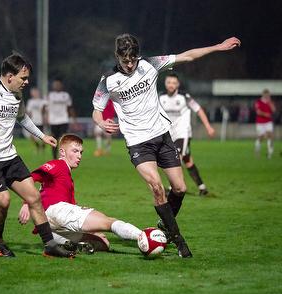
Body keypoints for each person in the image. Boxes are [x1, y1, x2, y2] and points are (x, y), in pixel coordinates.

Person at [92, 33, 241, 258]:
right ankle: (178, 240)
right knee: (157, 187)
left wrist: (218, 47)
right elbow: (96, 110)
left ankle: (165, 226)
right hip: (138, 143)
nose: (130, 64)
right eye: (125, 60)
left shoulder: (150, 64)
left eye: (133, 59)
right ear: (117, 56)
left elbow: (187, 57)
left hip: (162, 137)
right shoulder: (108, 80)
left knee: (180, 188)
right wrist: (101, 122)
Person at [0, 53, 75, 258]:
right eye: (23, 78)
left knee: (34, 197)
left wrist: (42, 135)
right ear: (10, 76)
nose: (26, 82)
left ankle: (50, 245)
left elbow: (22, 117)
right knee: (3, 201)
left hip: (9, 157)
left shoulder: (17, 94)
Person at [18, 134, 142, 251]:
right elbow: (30, 178)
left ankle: (71, 245)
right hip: (56, 210)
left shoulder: (66, 176)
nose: (79, 156)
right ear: (62, 152)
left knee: (103, 243)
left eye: (81, 152)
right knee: (108, 222)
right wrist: (26, 203)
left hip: (48, 225)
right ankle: (144, 236)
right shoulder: (57, 164)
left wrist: (92, 230)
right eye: (75, 151)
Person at [159, 73, 215, 196]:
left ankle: (172, 187)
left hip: (183, 133)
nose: (171, 85)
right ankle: (202, 187)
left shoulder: (185, 97)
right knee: (188, 161)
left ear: (178, 84)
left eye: (174, 83)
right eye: (169, 82)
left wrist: (208, 127)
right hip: (169, 135)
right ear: (165, 83)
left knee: (175, 157)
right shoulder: (160, 97)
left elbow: (199, 110)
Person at [47, 79, 76, 159]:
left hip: (64, 119)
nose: (56, 86)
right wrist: (46, 118)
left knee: (63, 138)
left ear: (61, 85)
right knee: (54, 139)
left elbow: (70, 107)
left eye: (58, 84)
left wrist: (74, 119)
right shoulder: (50, 95)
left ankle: (63, 156)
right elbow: (46, 107)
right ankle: (54, 157)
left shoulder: (66, 95)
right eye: (55, 84)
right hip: (53, 121)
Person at [254, 89, 276, 159]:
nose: (267, 96)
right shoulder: (258, 102)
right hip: (260, 122)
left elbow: (274, 110)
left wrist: (270, 103)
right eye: (266, 94)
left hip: (268, 122)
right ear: (263, 94)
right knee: (261, 137)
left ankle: (269, 153)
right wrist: (265, 114)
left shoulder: (270, 102)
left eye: (268, 94)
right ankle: (257, 149)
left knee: (270, 135)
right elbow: (258, 112)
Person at [25, 87, 48, 153]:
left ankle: (42, 147)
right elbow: (29, 112)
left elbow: (46, 111)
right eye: (33, 92)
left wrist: (46, 119)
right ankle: (38, 146)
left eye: (35, 92)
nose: (34, 93)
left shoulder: (43, 101)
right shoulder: (30, 102)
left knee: (43, 136)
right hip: (33, 121)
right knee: (31, 136)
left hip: (41, 121)